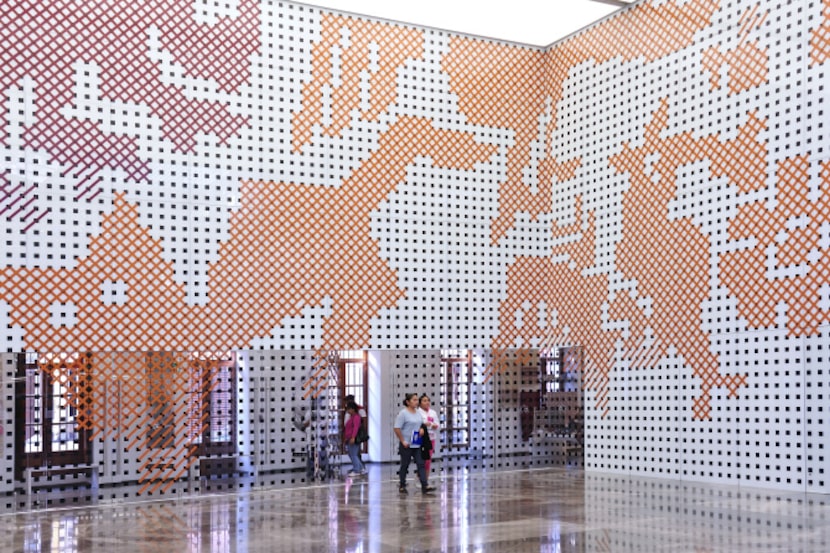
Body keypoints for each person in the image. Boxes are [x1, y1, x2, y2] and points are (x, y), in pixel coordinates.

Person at [393, 392, 435, 495]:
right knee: (405, 465)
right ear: (408, 402)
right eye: (414, 400)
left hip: (417, 443)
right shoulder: (403, 413)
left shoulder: (417, 413)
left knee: (421, 464)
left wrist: (422, 429)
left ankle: (424, 485)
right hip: (406, 444)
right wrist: (402, 440)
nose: (416, 402)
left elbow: (420, 424)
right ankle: (402, 485)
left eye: (417, 400)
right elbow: (396, 428)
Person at [418, 394, 439, 484]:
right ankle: (419, 478)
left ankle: (425, 481)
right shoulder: (417, 412)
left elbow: (437, 424)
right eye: (424, 401)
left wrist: (433, 425)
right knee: (420, 459)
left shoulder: (433, 412)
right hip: (420, 438)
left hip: (431, 438)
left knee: (428, 460)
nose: (427, 402)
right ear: (420, 403)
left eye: (428, 400)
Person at [343, 401, 366, 476]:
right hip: (349, 437)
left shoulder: (356, 417)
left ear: (353, 409)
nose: (348, 411)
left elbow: (355, 428)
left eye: (349, 409)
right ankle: (360, 468)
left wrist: (353, 437)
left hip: (353, 438)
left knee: (353, 454)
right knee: (352, 454)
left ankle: (357, 470)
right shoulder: (352, 417)